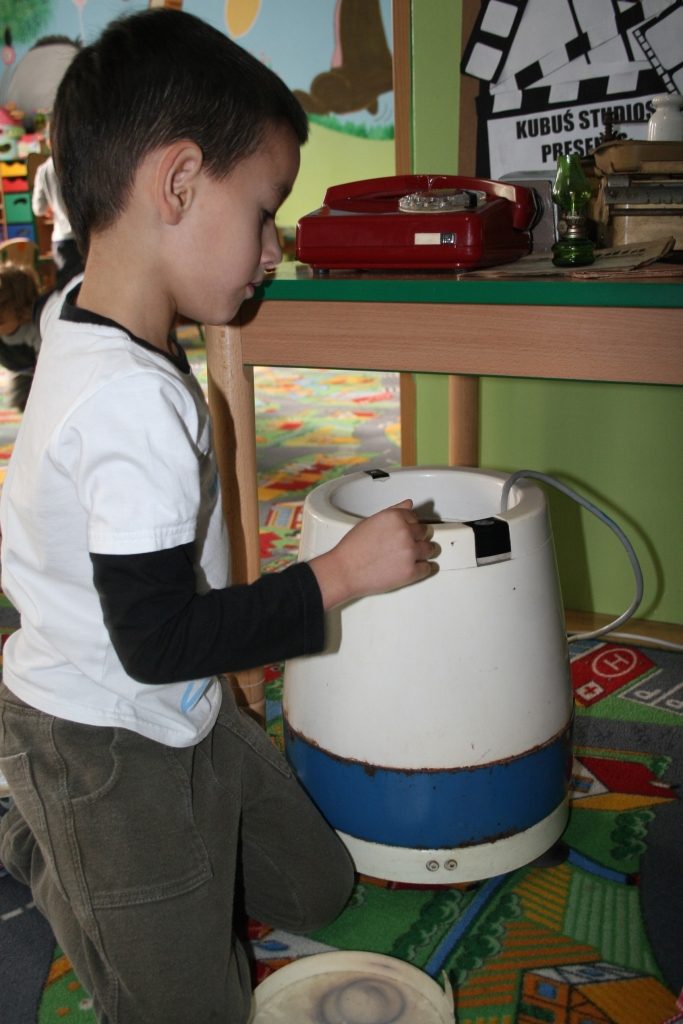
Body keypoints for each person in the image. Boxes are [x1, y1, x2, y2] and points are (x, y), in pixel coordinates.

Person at [0, 10, 438, 1024]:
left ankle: (88, 843)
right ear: (180, 182)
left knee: (316, 891)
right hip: (98, 743)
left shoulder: (88, 308)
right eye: (265, 210)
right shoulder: (128, 403)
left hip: (180, 705)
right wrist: (338, 575)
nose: (273, 247)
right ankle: (41, 834)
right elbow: (156, 639)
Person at [31, 152, 82, 288]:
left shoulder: (44, 169)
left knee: (68, 286)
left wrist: (52, 207)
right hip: (84, 235)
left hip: (62, 237)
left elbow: (38, 208)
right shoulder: (80, 163)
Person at [0, 262, 41, 411]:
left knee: (36, 402)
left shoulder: (33, 331)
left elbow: (47, 363)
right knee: (17, 402)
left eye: (0, 321)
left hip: (37, 370)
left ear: (21, 312)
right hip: (19, 370)